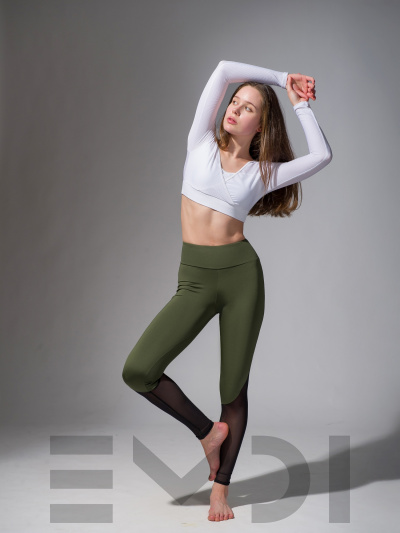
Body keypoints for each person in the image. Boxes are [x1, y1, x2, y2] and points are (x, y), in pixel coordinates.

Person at [122, 59, 332, 521]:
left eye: (248, 107)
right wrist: (282, 77)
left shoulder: (263, 172)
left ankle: (222, 489)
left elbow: (321, 156)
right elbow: (221, 70)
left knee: (233, 389)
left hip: (241, 279)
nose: (234, 108)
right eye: (235, 101)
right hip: (195, 279)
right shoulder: (199, 142)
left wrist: (300, 104)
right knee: (139, 370)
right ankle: (207, 432)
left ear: (261, 125)